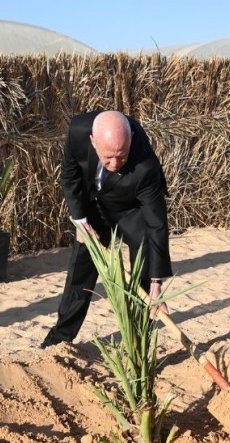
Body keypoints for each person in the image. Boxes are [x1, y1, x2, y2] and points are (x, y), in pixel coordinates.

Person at [40, 110, 173, 348]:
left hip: (130, 211)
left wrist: (157, 284)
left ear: (131, 138)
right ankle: (59, 340)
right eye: (108, 157)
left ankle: (138, 343)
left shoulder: (146, 166)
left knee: (144, 258)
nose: (114, 164)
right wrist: (80, 220)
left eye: (121, 156)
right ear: (93, 141)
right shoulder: (78, 131)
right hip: (93, 208)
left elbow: (157, 224)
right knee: (80, 270)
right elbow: (70, 177)